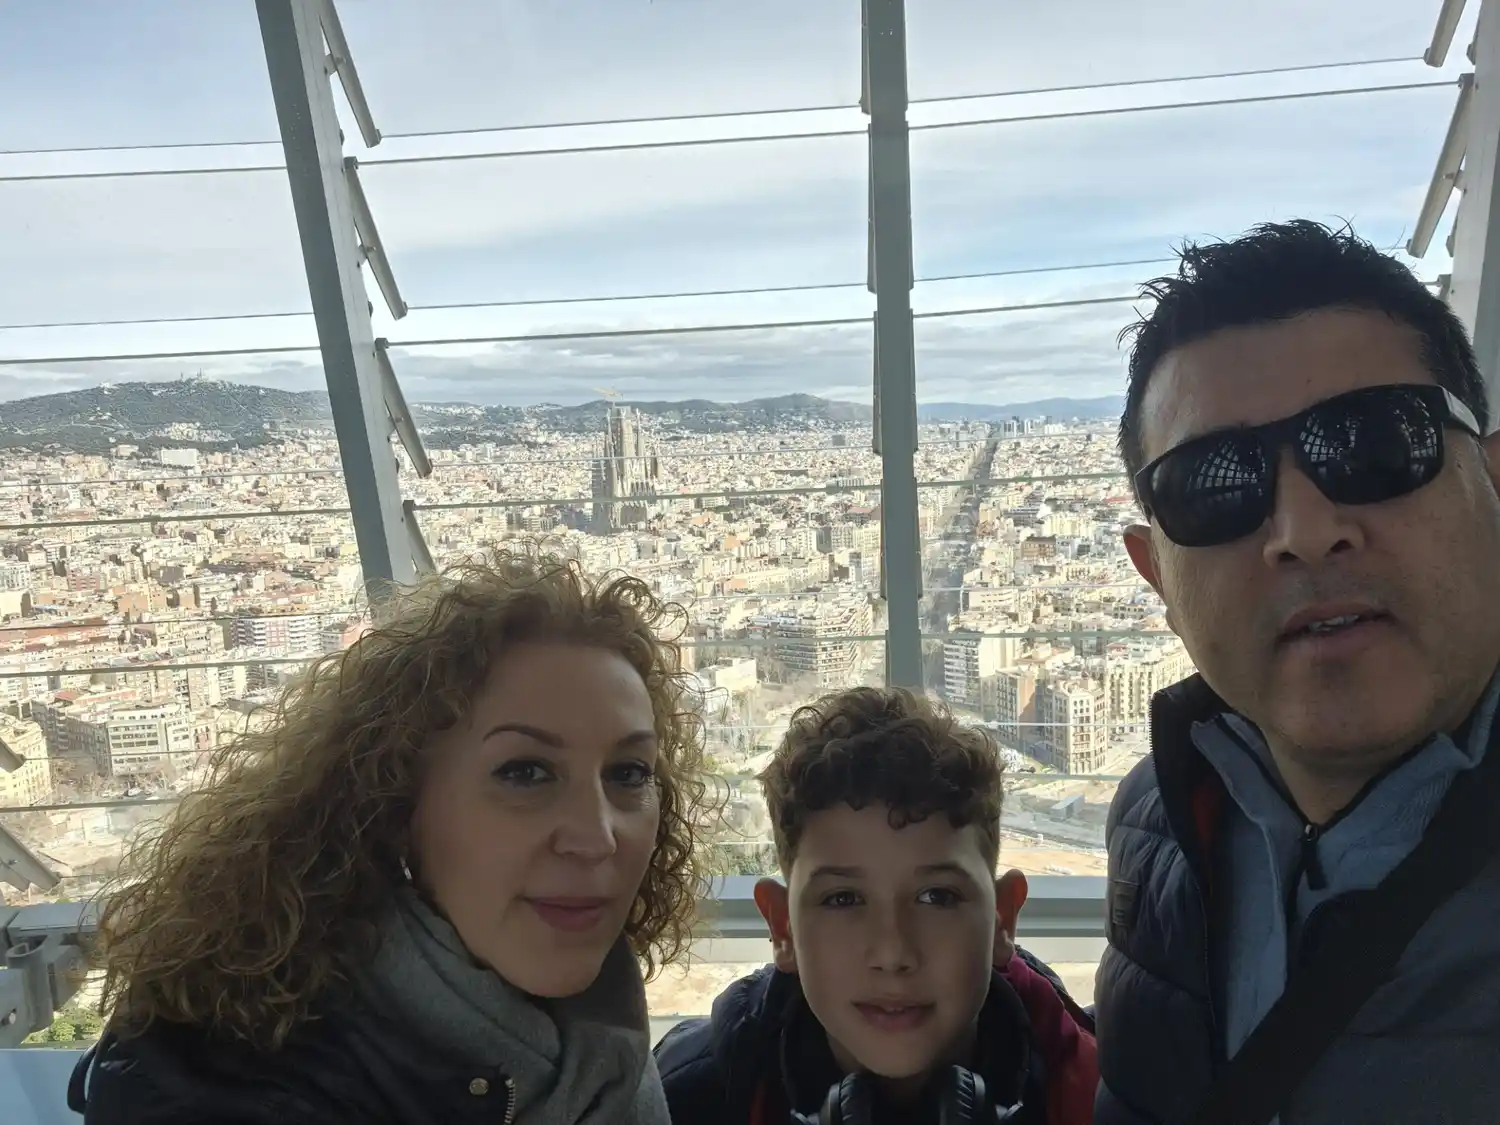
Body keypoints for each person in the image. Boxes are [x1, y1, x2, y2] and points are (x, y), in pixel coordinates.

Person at [67, 553, 713, 1125]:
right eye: (525, 772)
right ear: (397, 802)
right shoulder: (226, 1084)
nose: (597, 836)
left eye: (629, 773)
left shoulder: (595, 1035)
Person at [1098, 220, 1500, 1124]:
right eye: (1214, 484)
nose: (1304, 530)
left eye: (1377, 445)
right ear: (1155, 571)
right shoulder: (1157, 824)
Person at [655, 687, 1096, 1125]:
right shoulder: (685, 1102)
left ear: (1002, 919)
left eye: (936, 898)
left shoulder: (1107, 1095)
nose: (893, 953)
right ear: (783, 927)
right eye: (843, 899)